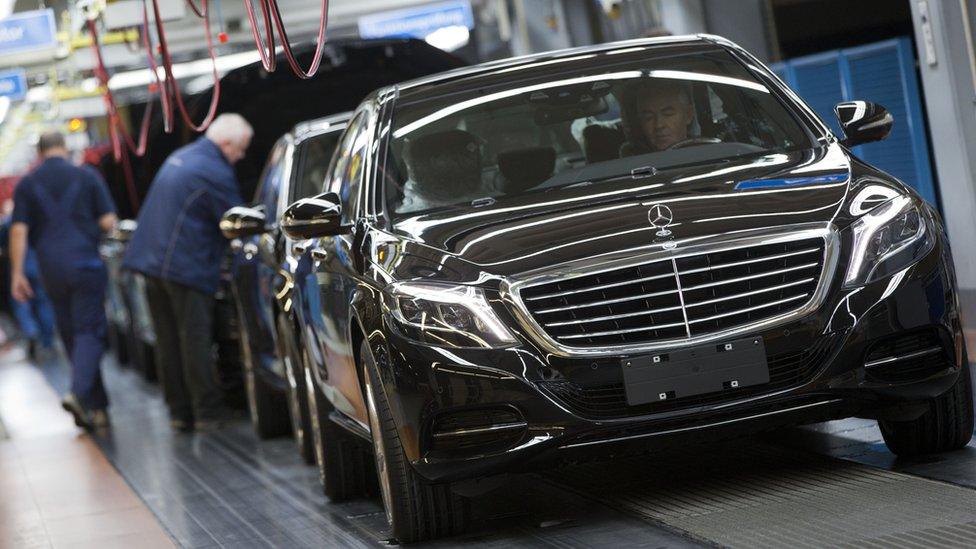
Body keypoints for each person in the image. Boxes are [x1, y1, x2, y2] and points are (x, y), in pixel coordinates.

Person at [123, 113, 252, 432]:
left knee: (168, 341)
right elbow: (235, 221)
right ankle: (208, 412)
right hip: (184, 267)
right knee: (195, 339)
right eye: (241, 150)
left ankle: (179, 412)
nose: (242, 157)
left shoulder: (181, 157)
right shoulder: (214, 170)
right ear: (226, 143)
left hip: (152, 264)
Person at [9, 131, 118, 430]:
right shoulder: (86, 176)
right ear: (64, 147)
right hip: (85, 263)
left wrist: (17, 274)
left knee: (71, 333)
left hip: (50, 269)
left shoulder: (27, 184)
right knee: (90, 330)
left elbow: (18, 230)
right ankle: (80, 393)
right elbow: (109, 221)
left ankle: (98, 407)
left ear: (40, 152)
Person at [623, 80, 696, 155]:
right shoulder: (631, 161)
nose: (659, 125)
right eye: (649, 117)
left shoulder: (705, 152)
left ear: (688, 115)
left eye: (668, 114)